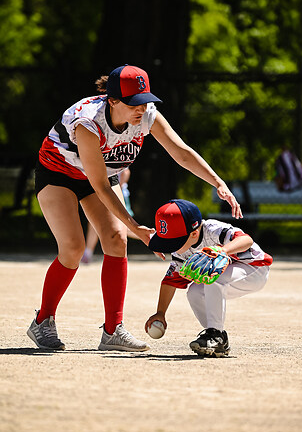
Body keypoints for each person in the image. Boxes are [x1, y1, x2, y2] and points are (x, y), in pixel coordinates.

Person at [27, 64, 242, 352]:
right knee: (74, 247)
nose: (141, 109)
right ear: (112, 100)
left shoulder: (147, 115)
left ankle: (113, 331)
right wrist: (137, 228)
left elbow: (181, 152)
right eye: (133, 104)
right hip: (59, 173)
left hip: (100, 174)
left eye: (145, 101)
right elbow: (101, 186)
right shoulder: (88, 122)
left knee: (116, 240)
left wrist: (218, 183)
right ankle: (43, 321)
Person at [145, 199, 272, 357]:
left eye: (173, 242)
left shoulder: (214, 230)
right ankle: (215, 336)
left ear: (194, 233)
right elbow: (170, 282)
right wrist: (160, 313)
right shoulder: (181, 250)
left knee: (213, 277)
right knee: (194, 292)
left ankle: (215, 334)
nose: (170, 248)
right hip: (227, 275)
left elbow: (247, 240)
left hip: (254, 269)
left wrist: (223, 250)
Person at [81, 168, 138, 264]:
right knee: (93, 223)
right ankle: (88, 253)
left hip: (115, 194)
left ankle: (152, 237)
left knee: (124, 227)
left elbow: (125, 172)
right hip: (105, 192)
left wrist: (114, 191)